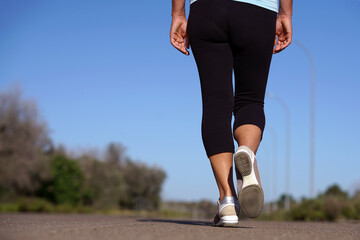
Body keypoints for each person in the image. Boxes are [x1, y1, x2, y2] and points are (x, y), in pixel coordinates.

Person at [170, 0, 292, 227]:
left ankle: (227, 199)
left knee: (215, 104)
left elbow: (179, 11)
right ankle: (246, 151)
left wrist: (178, 14)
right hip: (257, 11)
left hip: (207, 11)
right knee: (251, 100)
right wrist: (286, 13)